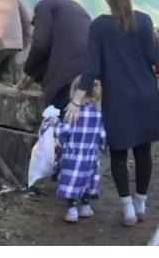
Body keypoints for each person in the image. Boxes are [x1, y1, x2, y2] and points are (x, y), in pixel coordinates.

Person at [65, 0, 159, 227]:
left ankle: (128, 211)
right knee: (144, 153)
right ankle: (141, 203)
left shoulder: (99, 26)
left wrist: (76, 101)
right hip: (145, 97)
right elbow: (155, 58)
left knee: (119, 156)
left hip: (118, 100)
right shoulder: (143, 20)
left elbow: (91, 70)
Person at [23, 0, 91, 109]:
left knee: (54, 111)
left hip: (65, 70)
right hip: (87, 68)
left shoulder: (44, 5)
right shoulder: (75, 6)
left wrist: (29, 71)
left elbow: (41, 44)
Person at [55, 76, 105, 224]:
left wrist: (54, 127)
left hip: (72, 155)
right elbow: (102, 134)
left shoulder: (72, 113)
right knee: (87, 181)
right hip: (90, 156)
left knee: (72, 181)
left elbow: (64, 132)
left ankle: (71, 209)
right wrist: (102, 146)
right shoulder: (98, 114)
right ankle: (85, 206)